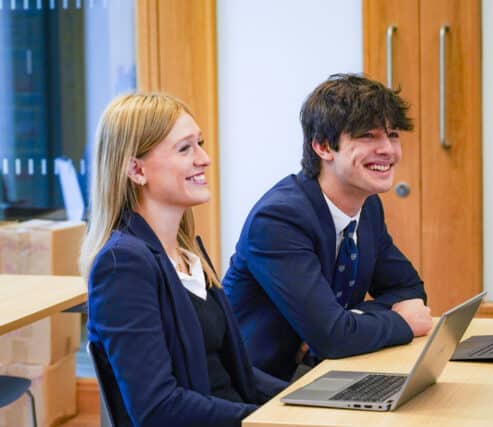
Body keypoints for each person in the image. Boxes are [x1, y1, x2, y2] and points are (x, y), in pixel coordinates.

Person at [80, 93, 287, 427]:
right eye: (185, 148)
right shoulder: (122, 265)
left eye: (200, 143)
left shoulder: (190, 256)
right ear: (136, 169)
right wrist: (270, 421)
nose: (204, 158)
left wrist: (304, 403)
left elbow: (237, 374)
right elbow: (157, 409)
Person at [223, 73, 433, 381]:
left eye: (392, 135)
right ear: (323, 146)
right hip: (261, 388)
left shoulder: (368, 206)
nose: (388, 149)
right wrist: (397, 323)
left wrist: (350, 323)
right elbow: (334, 337)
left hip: (326, 373)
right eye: (368, 136)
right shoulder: (279, 219)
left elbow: (409, 290)